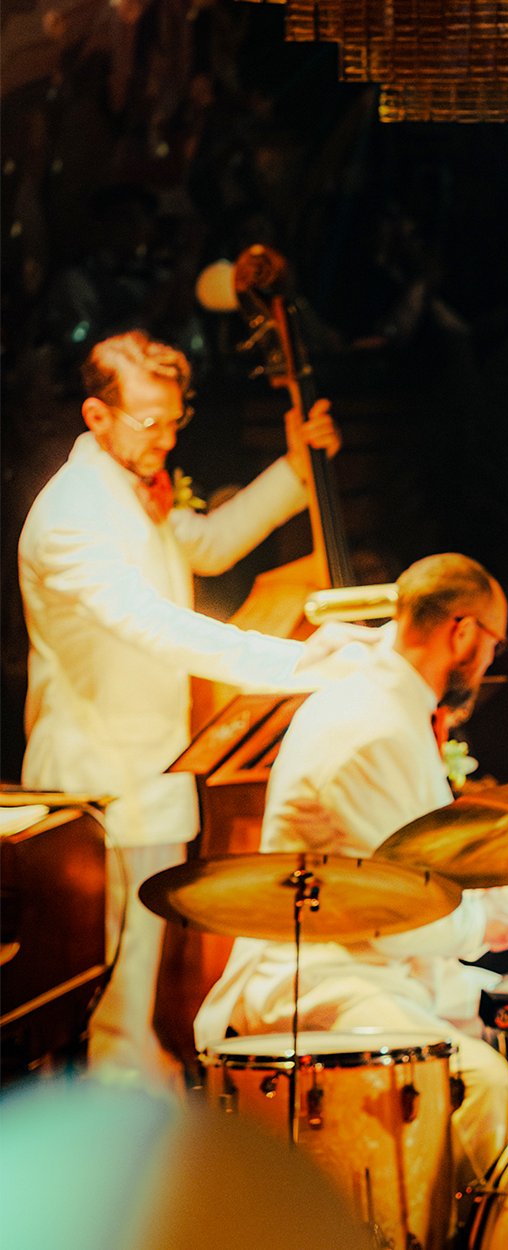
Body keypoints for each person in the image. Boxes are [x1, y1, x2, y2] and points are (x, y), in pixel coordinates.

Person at [18, 328, 343, 1083]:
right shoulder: (72, 515)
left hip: (151, 783)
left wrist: (296, 471)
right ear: (97, 417)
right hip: (98, 790)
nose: (164, 439)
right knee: (113, 1018)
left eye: (174, 421)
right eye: (147, 422)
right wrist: (297, 663)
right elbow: (152, 622)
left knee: (138, 1009)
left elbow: (206, 544)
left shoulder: (132, 485)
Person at [194, 555, 508, 1181]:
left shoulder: (385, 705)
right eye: (494, 644)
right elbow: (399, 911)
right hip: (317, 979)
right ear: (461, 632)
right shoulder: (372, 726)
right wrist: (487, 923)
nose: (490, 662)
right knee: (482, 1083)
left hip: (367, 965)